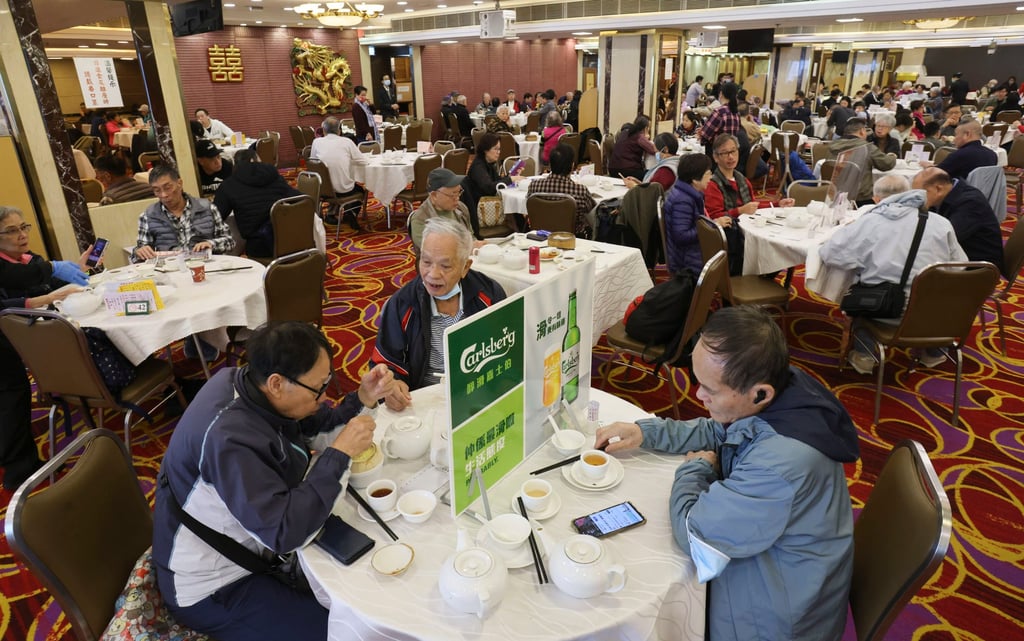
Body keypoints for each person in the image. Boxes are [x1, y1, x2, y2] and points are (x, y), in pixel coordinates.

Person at [595, 305, 860, 641]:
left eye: (710, 389)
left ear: (760, 392)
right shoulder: (784, 386)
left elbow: (696, 533)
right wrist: (647, 432)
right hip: (793, 567)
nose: (697, 394)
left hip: (777, 616)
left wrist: (695, 469)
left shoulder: (780, 465)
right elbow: (724, 429)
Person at [153, 321, 396, 640]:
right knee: (344, 630)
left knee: (366, 595)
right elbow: (285, 533)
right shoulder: (230, 441)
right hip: (216, 583)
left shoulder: (249, 387)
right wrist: (338, 455)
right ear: (277, 383)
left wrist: (364, 398)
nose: (324, 396)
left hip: (257, 547)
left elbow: (318, 427)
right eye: (319, 387)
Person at [819, 175, 967, 374]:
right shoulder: (942, 224)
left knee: (860, 293)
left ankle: (865, 357)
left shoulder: (872, 221)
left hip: (882, 309)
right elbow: (960, 268)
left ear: (877, 198)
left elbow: (831, 255)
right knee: (935, 295)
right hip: (932, 318)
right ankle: (934, 354)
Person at [0, 206, 92, 491]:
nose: (21, 235)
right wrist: (49, 295)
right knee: (10, 396)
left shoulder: (28, 260)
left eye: (23, 227)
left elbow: (41, 279)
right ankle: (19, 470)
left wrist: (74, 270)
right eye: (11, 231)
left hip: (22, 338)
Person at [371, 217, 506, 409]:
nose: (432, 274)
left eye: (445, 266)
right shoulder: (402, 304)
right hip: (424, 398)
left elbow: (507, 347)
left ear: (465, 267)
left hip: (480, 390)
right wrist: (393, 384)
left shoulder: (488, 295)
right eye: (426, 262)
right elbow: (385, 362)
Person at [133, 164, 234, 262]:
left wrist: (211, 243)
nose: (164, 195)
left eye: (167, 188)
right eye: (157, 190)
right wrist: (139, 252)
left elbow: (230, 241)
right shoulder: (148, 216)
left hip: (205, 269)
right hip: (169, 272)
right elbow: (137, 253)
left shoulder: (207, 208)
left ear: (179, 183)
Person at [213, 149, 302, 259]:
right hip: (292, 239)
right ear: (254, 160)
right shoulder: (274, 177)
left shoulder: (229, 185)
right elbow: (299, 199)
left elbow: (216, 217)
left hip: (259, 247)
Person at [912, 168, 1004, 268]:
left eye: (920, 193)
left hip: (977, 266)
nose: (917, 198)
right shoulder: (946, 195)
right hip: (956, 256)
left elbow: (946, 237)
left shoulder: (971, 202)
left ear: (938, 189)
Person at [309, 116, 367, 231]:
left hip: (322, 189)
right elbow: (362, 161)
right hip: (343, 190)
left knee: (333, 177)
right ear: (339, 130)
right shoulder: (346, 142)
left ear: (324, 130)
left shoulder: (316, 142)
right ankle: (350, 213)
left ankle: (331, 215)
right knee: (360, 190)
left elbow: (313, 162)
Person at [526, 144, 596, 237]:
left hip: (540, 237)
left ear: (550, 165)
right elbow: (592, 211)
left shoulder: (534, 186)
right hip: (572, 240)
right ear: (572, 166)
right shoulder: (580, 190)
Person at [461, 132, 522, 237]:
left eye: (499, 149)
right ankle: (521, 232)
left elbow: (497, 181)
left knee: (514, 210)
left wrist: (510, 176)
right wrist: (510, 179)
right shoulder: (478, 167)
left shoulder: (488, 163)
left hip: (488, 205)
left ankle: (522, 231)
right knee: (514, 211)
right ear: (485, 150)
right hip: (480, 210)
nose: (498, 152)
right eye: (495, 149)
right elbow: (489, 187)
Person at [662, 153, 714, 276]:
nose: (711, 178)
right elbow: (681, 236)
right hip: (685, 261)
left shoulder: (687, 192)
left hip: (686, 253)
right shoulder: (683, 200)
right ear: (695, 180)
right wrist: (711, 226)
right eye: (708, 174)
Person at [826, 120, 896, 206]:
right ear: (862, 131)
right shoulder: (866, 147)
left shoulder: (832, 146)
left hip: (832, 195)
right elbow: (886, 164)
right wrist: (892, 156)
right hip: (860, 198)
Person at [409, 168, 474, 249]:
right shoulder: (420, 219)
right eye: (453, 194)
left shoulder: (461, 208)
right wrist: (469, 247)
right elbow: (435, 251)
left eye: (459, 192)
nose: (457, 198)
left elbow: (470, 236)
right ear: (434, 195)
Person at [920, 120, 997, 180]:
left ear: (967, 134)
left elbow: (936, 174)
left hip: (957, 197)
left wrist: (928, 167)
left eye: (956, 134)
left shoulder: (960, 155)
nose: (954, 139)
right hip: (984, 196)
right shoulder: (993, 155)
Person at [608, 115, 657, 181]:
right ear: (646, 128)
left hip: (612, 169)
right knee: (652, 174)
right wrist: (646, 138)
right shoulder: (639, 136)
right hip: (626, 170)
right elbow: (653, 150)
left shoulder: (625, 132)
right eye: (649, 127)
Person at [699, 83, 742, 155]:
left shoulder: (719, 112)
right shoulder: (736, 113)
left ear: (721, 93)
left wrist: (701, 133)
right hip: (731, 152)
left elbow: (705, 136)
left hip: (717, 153)